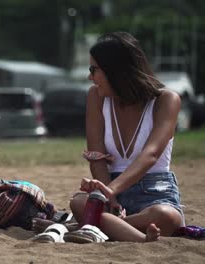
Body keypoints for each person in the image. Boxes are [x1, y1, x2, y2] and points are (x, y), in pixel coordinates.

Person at [69, 31, 185, 242]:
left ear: (115, 70)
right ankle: (136, 236)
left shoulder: (166, 100)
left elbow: (150, 154)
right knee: (77, 202)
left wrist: (109, 191)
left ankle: (93, 225)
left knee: (166, 216)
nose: (89, 77)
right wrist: (107, 195)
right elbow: (97, 156)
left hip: (154, 192)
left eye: (93, 69)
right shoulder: (95, 97)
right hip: (110, 190)